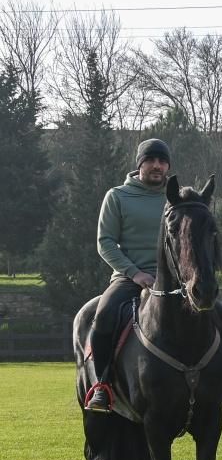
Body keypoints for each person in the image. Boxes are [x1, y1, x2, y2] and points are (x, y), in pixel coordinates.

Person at [85, 138, 172, 412]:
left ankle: (217, 383)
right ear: (140, 164)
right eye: (151, 160)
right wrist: (135, 274)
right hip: (128, 278)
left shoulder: (175, 196)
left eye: (162, 161)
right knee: (103, 317)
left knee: (216, 312)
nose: (157, 166)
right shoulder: (118, 196)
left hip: (174, 280)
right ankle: (103, 385)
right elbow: (105, 242)